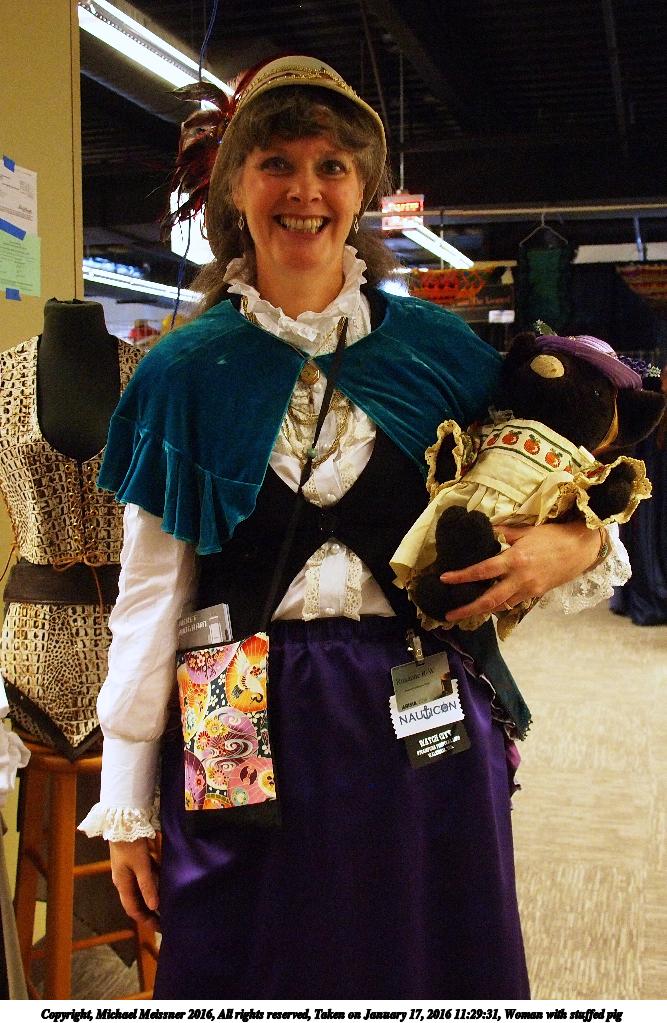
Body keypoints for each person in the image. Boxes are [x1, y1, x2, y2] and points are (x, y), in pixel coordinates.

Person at [79, 56, 629, 999]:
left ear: (362, 190)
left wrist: (571, 543)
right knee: (246, 965)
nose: (305, 190)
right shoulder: (182, 373)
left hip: (415, 694)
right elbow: (149, 594)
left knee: (424, 956)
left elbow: (556, 487)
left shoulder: (440, 352)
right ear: (235, 188)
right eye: (277, 163)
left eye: (331, 166)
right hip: (232, 706)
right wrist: (126, 796)